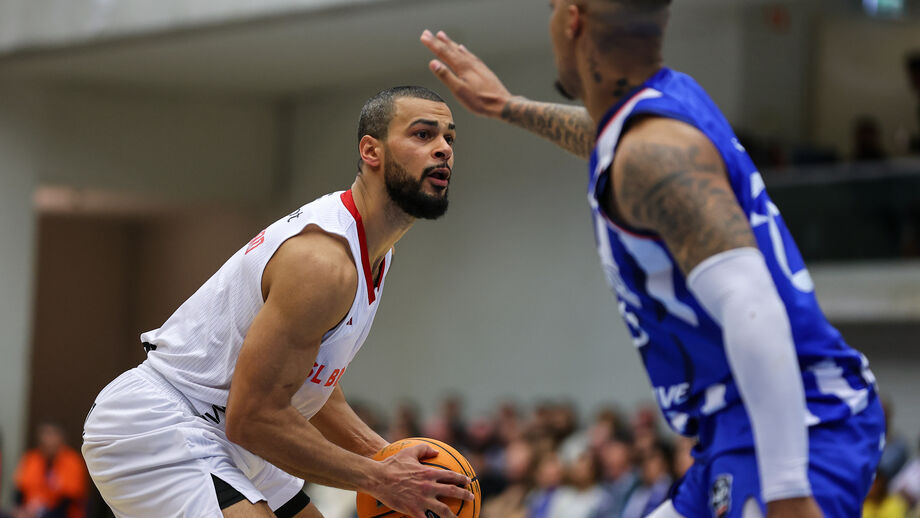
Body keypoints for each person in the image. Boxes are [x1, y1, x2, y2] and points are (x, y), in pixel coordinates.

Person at [419, 0, 884, 516]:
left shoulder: (654, 153)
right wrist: (506, 105)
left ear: (572, 18)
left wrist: (789, 492)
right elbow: (607, 142)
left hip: (799, 427)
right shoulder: (657, 111)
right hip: (738, 429)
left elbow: (754, 307)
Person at [81, 86, 473, 518]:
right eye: (423, 135)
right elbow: (251, 417)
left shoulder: (376, 249)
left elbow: (312, 380)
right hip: (166, 420)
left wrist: (386, 456)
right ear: (370, 151)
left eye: (449, 139)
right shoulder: (324, 262)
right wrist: (380, 478)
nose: (442, 150)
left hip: (229, 431)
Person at [14, 422, 87, 518]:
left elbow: (69, 500)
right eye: (45, 434)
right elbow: (19, 492)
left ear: (62, 439)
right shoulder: (31, 458)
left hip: (60, 513)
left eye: (53, 435)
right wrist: (21, 510)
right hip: (30, 510)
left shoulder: (73, 462)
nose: (49, 440)